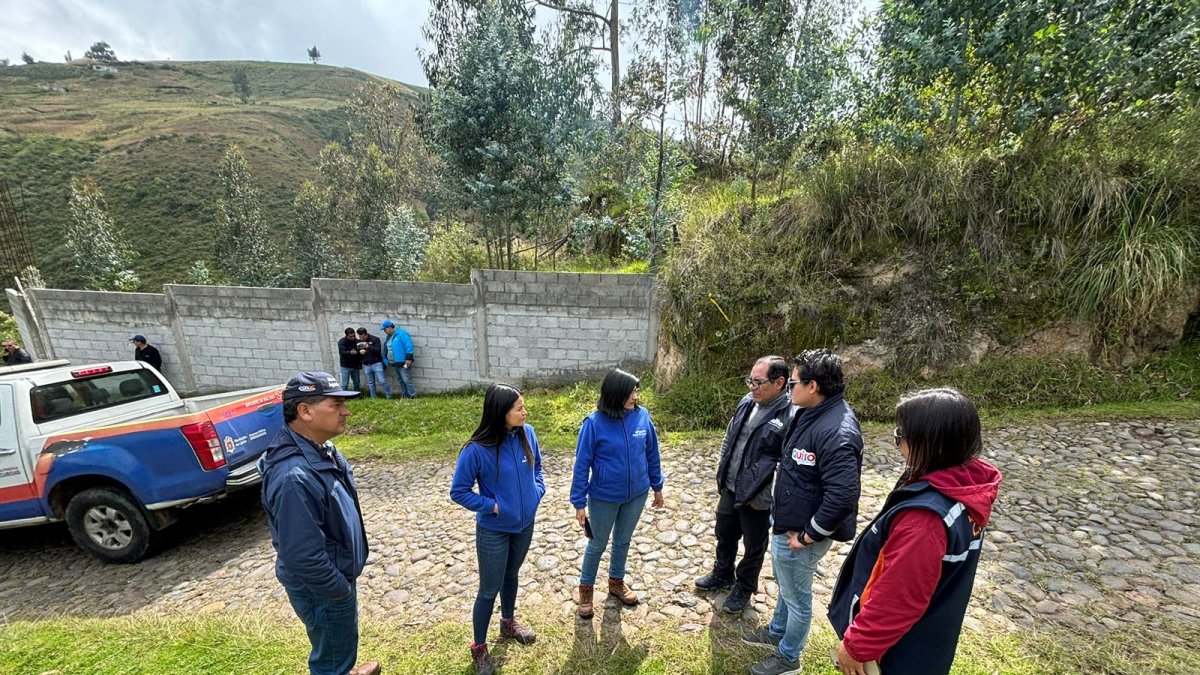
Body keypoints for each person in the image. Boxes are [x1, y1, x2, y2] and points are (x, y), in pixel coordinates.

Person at [828, 388, 1001, 675]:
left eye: (901, 435)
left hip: (897, 653)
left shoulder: (924, 520)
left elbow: (899, 597)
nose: (896, 442)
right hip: (929, 641)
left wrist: (858, 645)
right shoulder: (964, 487)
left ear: (931, 442)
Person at [745, 349, 863, 675]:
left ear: (813, 386)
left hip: (802, 534)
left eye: (793, 382)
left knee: (797, 596)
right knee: (787, 584)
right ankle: (777, 632)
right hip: (789, 523)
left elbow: (843, 495)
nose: (788, 388)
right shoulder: (809, 412)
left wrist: (810, 534)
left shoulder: (837, 431)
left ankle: (789, 657)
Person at [258, 371, 379, 675]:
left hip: (335, 578)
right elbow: (302, 554)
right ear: (305, 411)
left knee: (339, 644)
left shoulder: (320, 449)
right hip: (323, 588)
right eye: (336, 404)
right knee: (330, 659)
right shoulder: (293, 476)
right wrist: (338, 589)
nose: (346, 411)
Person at [450, 383, 545, 675]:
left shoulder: (527, 433)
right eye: (519, 408)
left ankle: (508, 623)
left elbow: (538, 467)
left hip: (525, 524)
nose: (525, 412)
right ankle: (479, 647)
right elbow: (459, 491)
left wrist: (536, 492)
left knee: (512, 575)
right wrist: (493, 506)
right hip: (494, 530)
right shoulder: (476, 450)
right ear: (500, 412)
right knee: (489, 589)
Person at [696, 355, 793, 614]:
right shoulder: (747, 402)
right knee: (724, 534)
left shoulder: (790, 415)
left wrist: (764, 494)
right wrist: (721, 473)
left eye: (758, 382)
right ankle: (723, 572)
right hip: (731, 486)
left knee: (754, 546)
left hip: (758, 497)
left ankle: (745, 586)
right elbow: (729, 439)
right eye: (750, 380)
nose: (752, 386)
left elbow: (785, 466)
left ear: (779, 382)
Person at [569, 369, 665, 618]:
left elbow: (652, 454)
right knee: (597, 544)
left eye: (636, 390)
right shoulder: (593, 424)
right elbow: (582, 465)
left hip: (637, 494)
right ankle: (586, 590)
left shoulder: (642, 416)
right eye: (631, 391)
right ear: (615, 394)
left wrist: (657, 486)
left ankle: (616, 583)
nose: (636, 396)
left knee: (623, 541)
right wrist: (579, 502)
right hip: (603, 497)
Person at [381, 320, 416, 399]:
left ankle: (412, 396)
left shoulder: (402, 334)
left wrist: (409, 359)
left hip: (403, 362)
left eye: (384, 329)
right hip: (394, 363)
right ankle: (405, 395)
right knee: (400, 380)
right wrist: (385, 361)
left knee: (406, 379)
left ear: (389, 328)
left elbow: (409, 346)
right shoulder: (389, 337)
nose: (384, 331)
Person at [356, 327, 390, 399]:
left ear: (366, 334)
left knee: (382, 381)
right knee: (370, 383)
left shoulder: (375, 339)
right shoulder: (358, 341)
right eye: (360, 337)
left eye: (362, 337)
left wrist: (368, 346)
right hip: (366, 364)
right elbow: (357, 352)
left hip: (376, 363)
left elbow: (378, 350)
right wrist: (360, 352)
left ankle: (388, 396)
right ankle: (373, 398)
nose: (361, 338)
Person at [337, 328, 363, 393]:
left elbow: (360, 351)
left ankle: (356, 397)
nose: (353, 337)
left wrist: (359, 352)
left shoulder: (357, 341)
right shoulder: (342, 342)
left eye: (354, 336)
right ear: (346, 335)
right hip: (345, 366)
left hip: (355, 366)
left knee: (357, 383)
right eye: (351, 336)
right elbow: (342, 352)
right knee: (345, 384)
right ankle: (343, 398)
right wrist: (350, 352)